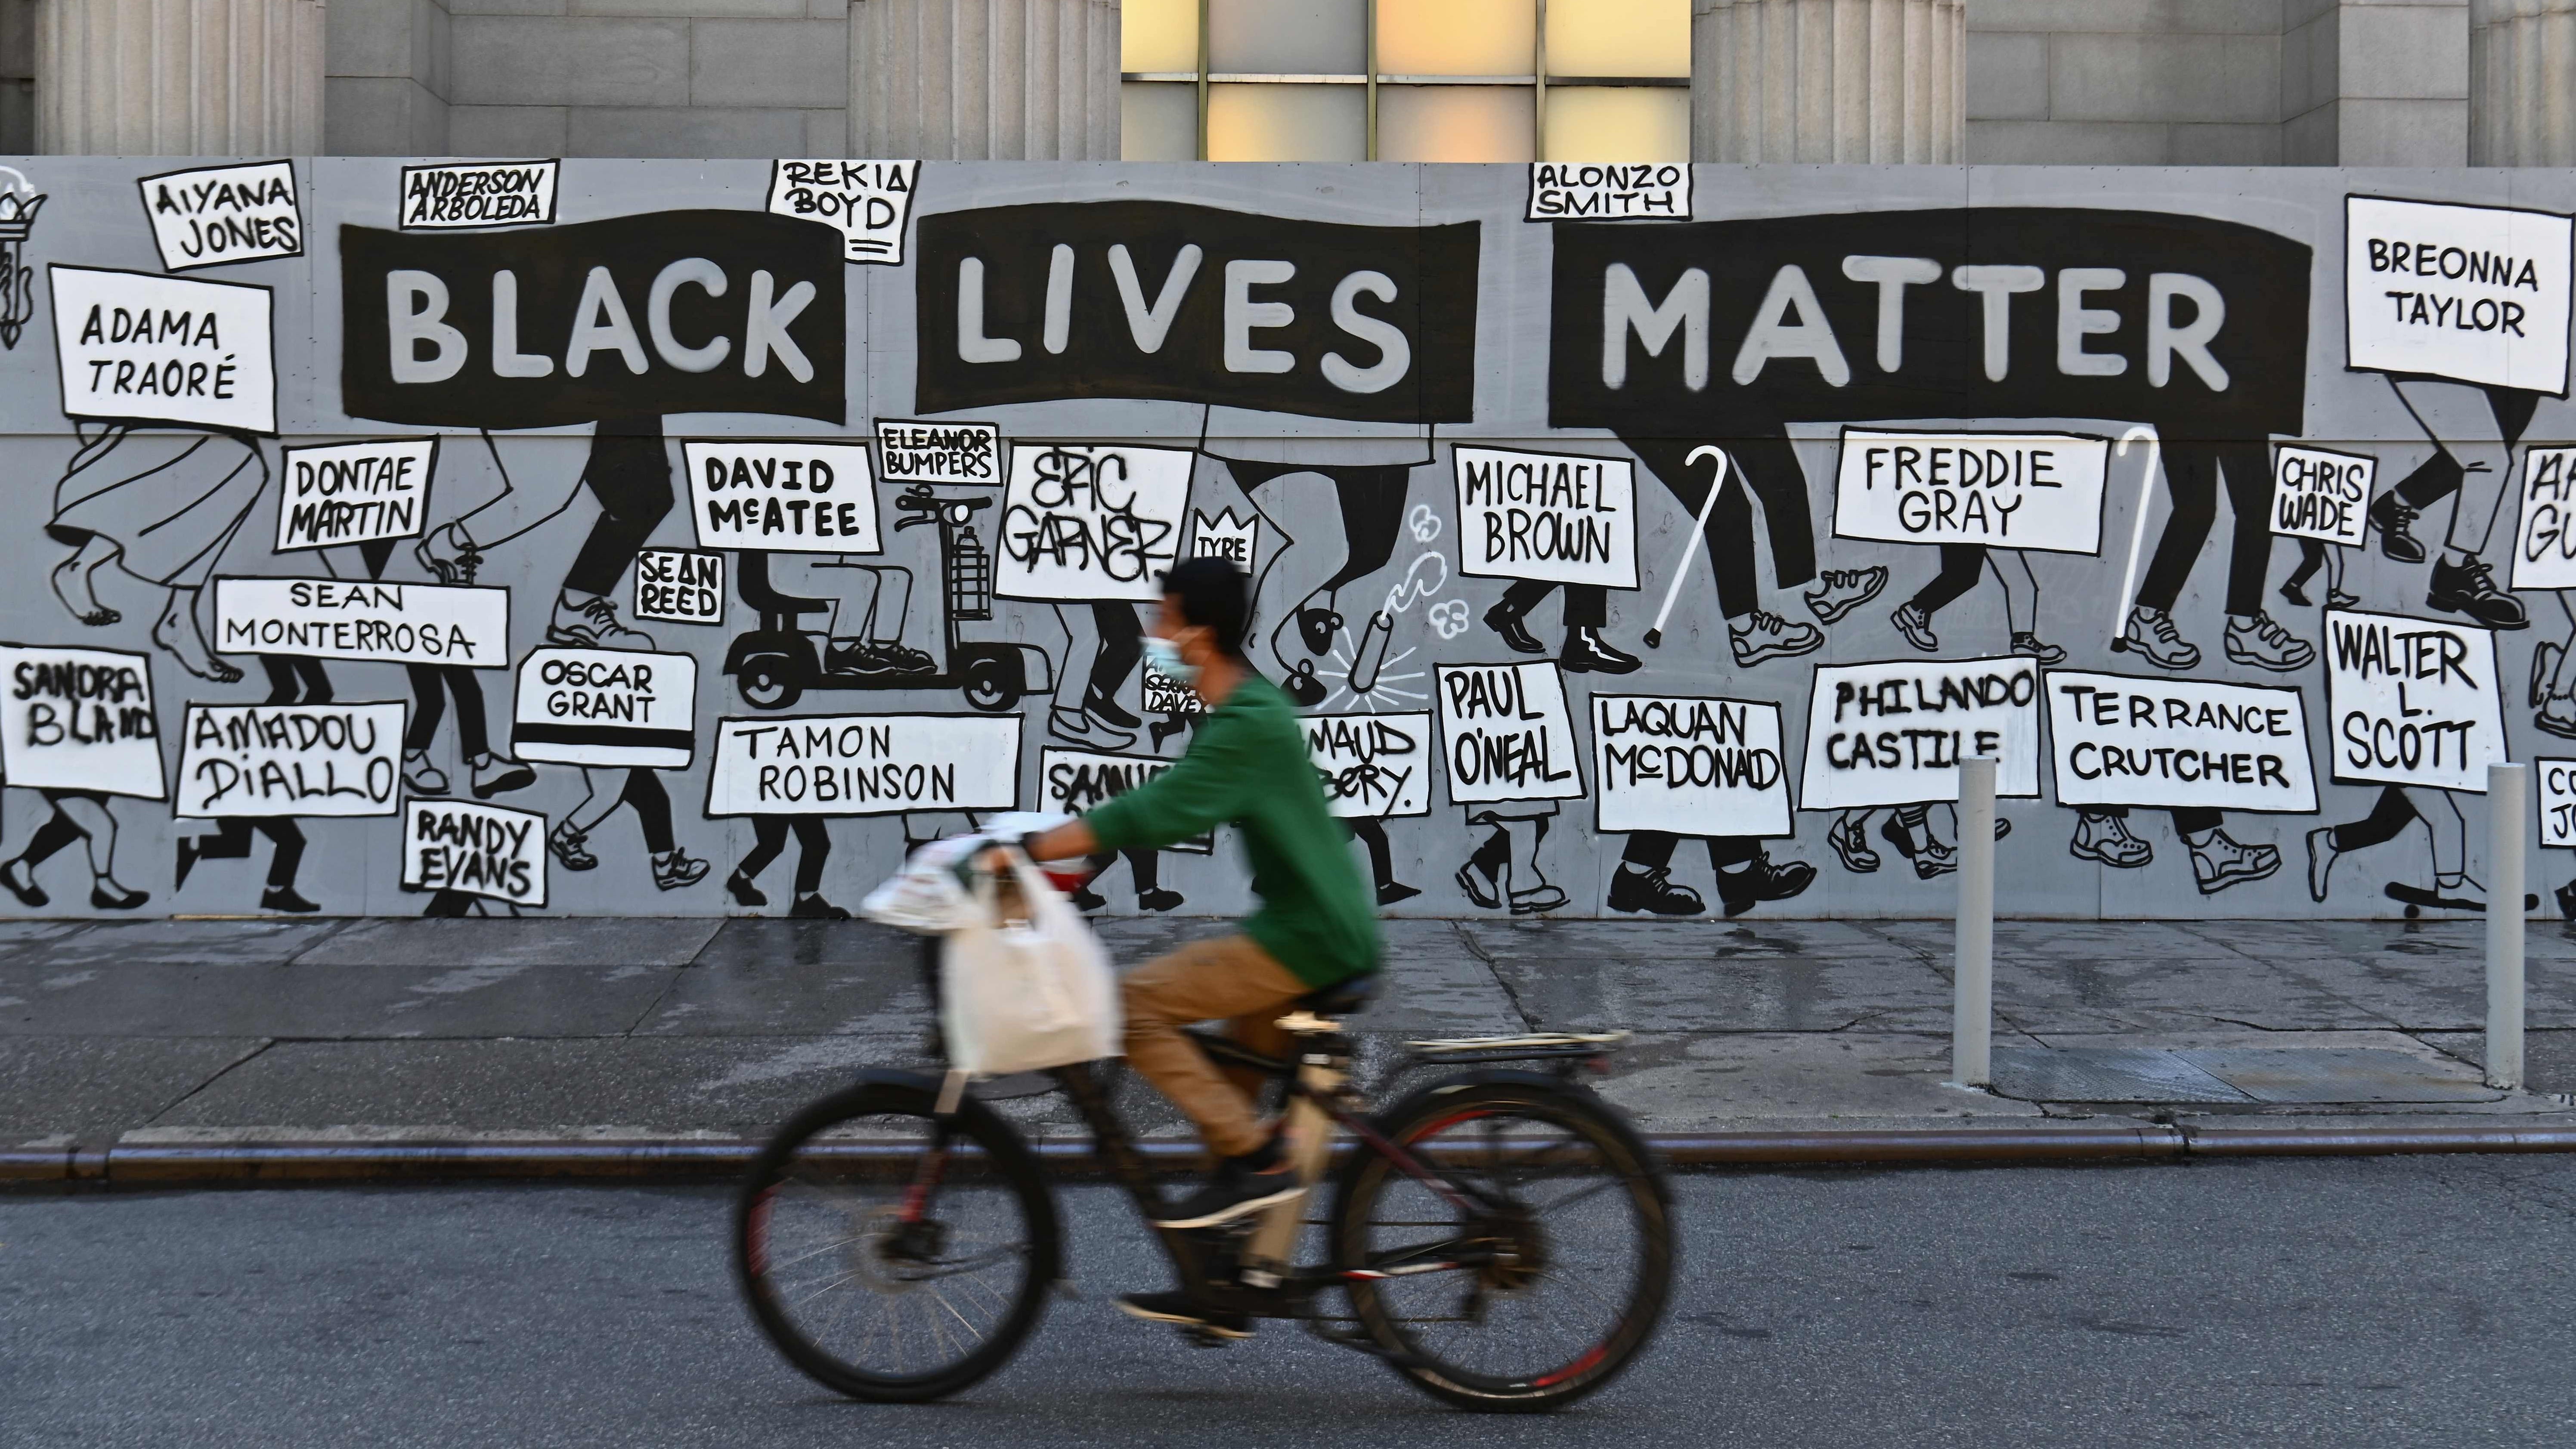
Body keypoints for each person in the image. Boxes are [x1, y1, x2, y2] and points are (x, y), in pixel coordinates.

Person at [999, 556, 1378, 1339]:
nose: (1154, 633)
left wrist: (1035, 849)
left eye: (1165, 618)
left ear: (1200, 634)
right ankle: (1226, 1282)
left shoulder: (1247, 723)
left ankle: (1259, 1165)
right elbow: (1160, 807)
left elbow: (1158, 812)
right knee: (1229, 1089)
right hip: (1309, 928)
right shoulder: (1243, 707)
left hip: (1308, 938)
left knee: (1130, 1006)